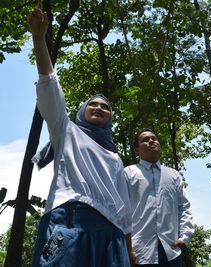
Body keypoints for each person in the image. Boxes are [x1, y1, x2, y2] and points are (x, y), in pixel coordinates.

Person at [27, 1, 135, 266]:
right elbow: (50, 87)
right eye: (93, 104)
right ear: (81, 112)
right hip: (71, 221)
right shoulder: (67, 131)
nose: (99, 107)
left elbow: (124, 208)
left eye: (105, 107)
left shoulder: (114, 157)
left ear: (110, 117)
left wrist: (129, 249)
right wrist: (39, 39)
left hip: (111, 235)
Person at [124, 129, 194, 266]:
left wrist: (184, 237)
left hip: (171, 249)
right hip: (139, 251)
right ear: (136, 150)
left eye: (154, 138)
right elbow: (121, 210)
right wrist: (126, 247)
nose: (151, 141)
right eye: (145, 139)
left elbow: (184, 207)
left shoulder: (173, 175)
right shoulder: (128, 173)